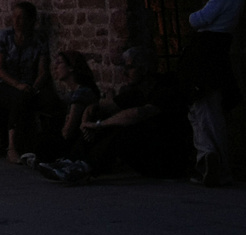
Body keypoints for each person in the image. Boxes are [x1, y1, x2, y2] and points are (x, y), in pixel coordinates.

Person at [40, 46, 189, 183]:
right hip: (147, 154)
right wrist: (89, 115)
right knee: (103, 118)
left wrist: (100, 125)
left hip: (166, 157)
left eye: (130, 67)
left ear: (145, 69)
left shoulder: (164, 89)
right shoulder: (135, 90)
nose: (124, 72)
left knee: (124, 128)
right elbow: (104, 106)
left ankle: (84, 167)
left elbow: (138, 113)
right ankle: (71, 161)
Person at [182, 0, 246, 186]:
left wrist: (193, 18)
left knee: (206, 112)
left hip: (207, 58)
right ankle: (208, 160)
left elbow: (200, 18)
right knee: (202, 112)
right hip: (209, 56)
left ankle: (213, 162)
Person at [0, 1, 49, 162]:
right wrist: (18, 85)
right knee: (19, 98)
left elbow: (43, 70)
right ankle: (12, 147)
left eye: (21, 18)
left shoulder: (39, 39)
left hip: (28, 85)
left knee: (33, 99)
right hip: (4, 84)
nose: (16, 21)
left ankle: (37, 147)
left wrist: (34, 87)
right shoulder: (5, 36)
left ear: (31, 20)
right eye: (14, 17)